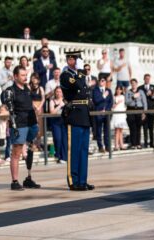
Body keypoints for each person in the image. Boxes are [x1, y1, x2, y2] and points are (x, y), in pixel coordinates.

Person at [60, 51, 94, 191]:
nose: (77, 61)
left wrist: (81, 73)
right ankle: (73, 180)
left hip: (84, 115)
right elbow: (78, 86)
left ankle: (82, 180)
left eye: (78, 59)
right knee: (73, 150)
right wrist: (80, 71)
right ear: (69, 60)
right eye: (74, 58)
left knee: (83, 150)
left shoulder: (79, 75)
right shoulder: (66, 75)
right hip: (74, 115)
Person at [2, 66, 40, 190]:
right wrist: (13, 125)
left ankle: (28, 178)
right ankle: (14, 181)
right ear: (15, 76)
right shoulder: (10, 90)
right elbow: (7, 104)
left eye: (25, 75)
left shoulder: (27, 89)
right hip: (20, 125)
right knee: (16, 153)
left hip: (31, 124)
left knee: (30, 149)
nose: (25, 77)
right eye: (22, 75)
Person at [92, 77, 113, 153]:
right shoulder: (95, 90)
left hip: (107, 113)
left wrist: (106, 110)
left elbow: (111, 102)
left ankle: (107, 146)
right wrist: (103, 96)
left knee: (107, 131)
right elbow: (96, 100)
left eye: (103, 80)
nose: (101, 81)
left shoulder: (109, 90)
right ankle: (100, 146)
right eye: (100, 80)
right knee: (99, 131)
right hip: (98, 113)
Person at [125, 78, 147, 149]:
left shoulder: (141, 91)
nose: (133, 85)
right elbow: (127, 102)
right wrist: (133, 97)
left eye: (135, 83)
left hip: (139, 110)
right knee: (132, 127)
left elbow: (144, 102)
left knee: (138, 127)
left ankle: (138, 143)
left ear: (137, 84)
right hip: (131, 110)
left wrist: (144, 112)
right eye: (132, 84)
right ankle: (133, 143)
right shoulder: (128, 92)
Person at [138, 74, 154, 149]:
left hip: (152, 109)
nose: (147, 80)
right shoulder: (140, 88)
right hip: (144, 110)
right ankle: (146, 143)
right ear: (144, 79)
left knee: (151, 127)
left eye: (148, 79)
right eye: (146, 78)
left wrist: (152, 95)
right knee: (145, 127)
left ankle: (152, 143)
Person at [49, 87, 67, 164]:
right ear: (55, 92)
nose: (58, 93)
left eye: (60, 91)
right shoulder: (52, 101)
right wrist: (60, 105)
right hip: (55, 122)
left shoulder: (65, 100)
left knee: (64, 140)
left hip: (64, 121)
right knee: (57, 138)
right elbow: (52, 112)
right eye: (57, 91)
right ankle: (58, 155)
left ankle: (64, 157)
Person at [29, 73, 45, 151]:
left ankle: (38, 144)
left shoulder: (41, 88)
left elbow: (43, 99)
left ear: (38, 80)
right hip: (32, 107)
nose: (34, 80)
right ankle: (32, 144)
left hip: (39, 107)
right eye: (33, 78)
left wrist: (39, 107)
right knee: (33, 125)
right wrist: (34, 106)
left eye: (36, 78)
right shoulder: (29, 87)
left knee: (40, 126)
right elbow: (28, 98)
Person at [111, 86, 127, 151]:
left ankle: (121, 145)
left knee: (121, 130)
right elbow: (113, 106)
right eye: (117, 89)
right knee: (117, 130)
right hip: (116, 114)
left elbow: (123, 105)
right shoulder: (114, 97)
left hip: (121, 114)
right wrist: (116, 103)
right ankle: (116, 145)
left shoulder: (123, 97)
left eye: (119, 90)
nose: (118, 91)